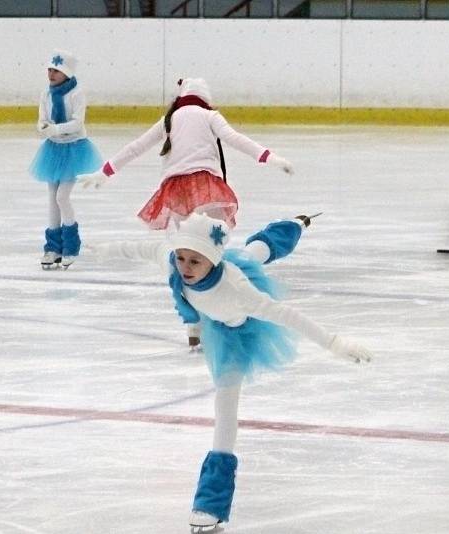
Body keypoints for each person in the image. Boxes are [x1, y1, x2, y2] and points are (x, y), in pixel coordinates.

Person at [87, 212, 372, 533]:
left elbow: (286, 315)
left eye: (194, 261)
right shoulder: (175, 261)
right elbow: (141, 249)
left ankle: (210, 502)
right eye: (182, 258)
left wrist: (334, 343)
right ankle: (293, 223)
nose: (184, 267)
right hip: (218, 321)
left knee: (225, 408)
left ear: (211, 260)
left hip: (239, 331)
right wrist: (107, 249)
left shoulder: (236, 287)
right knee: (253, 253)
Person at [78, 76, 293, 344]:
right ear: (205, 98)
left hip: (176, 192)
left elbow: (136, 147)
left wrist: (104, 172)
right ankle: (223, 310)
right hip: (206, 187)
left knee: (184, 256)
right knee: (211, 252)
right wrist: (270, 157)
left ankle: (193, 324)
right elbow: (235, 139)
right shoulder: (208, 115)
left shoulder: (171, 118)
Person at [30, 49, 103, 270]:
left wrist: (54, 129)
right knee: (52, 197)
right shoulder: (46, 93)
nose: (51, 74)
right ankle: (52, 248)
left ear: (67, 73)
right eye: (50, 69)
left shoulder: (77, 93)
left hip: (75, 150)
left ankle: (71, 245)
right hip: (54, 150)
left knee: (63, 197)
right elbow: (42, 118)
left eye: (57, 70)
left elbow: (77, 123)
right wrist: (43, 128)